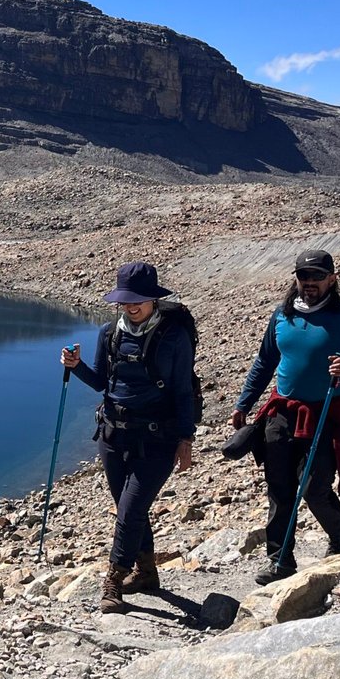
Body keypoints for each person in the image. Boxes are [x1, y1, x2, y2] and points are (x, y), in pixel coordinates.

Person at [230, 249, 340, 584]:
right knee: (280, 488)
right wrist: (244, 404)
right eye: (304, 276)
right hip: (281, 413)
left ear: (333, 278)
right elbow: (264, 362)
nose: (310, 283)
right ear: (296, 279)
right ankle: (280, 560)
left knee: (315, 488)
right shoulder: (282, 316)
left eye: (317, 276)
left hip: (325, 414)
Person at [61, 261, 197, 613]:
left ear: (153, 299)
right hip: (112, 436)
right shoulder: (109, 333)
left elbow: (183, 391)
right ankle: (148, 573)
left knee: (130, 510)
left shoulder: (174, 336)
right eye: (125, 301)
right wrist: (76, 369)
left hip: (158, 439)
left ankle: (113, 581)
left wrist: (186, 439)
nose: (132, 306)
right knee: (131, 510)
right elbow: (104, 384)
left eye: (138, 300)